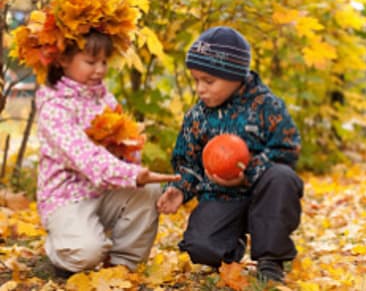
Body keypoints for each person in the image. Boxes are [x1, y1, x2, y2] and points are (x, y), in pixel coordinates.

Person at [157, 26, 304, 283]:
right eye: (196, 80)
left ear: (235, 75)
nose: (201, 89)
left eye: (208, 81)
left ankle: (271, 260)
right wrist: (180, 189)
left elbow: (287, 148)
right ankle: (229, 245)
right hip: (222, 196)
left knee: (282, 177)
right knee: (200, 247)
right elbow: (188, 162)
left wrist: (246, 173)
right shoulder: (197, 116)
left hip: (264, 192)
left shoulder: (266, 106)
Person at [35, 29, 180, 276]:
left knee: (148, 192)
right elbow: (86, 157)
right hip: (67, 199)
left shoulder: (104, 99)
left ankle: (122, 265)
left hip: (103, 193)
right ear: (62, 60)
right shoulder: (54, 107)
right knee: (87, 252)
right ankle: (63, 249)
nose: (100, 69)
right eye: (91, 62)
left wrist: (134, 160)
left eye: (104, 61)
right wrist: (133, 174)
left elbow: (126, 145)